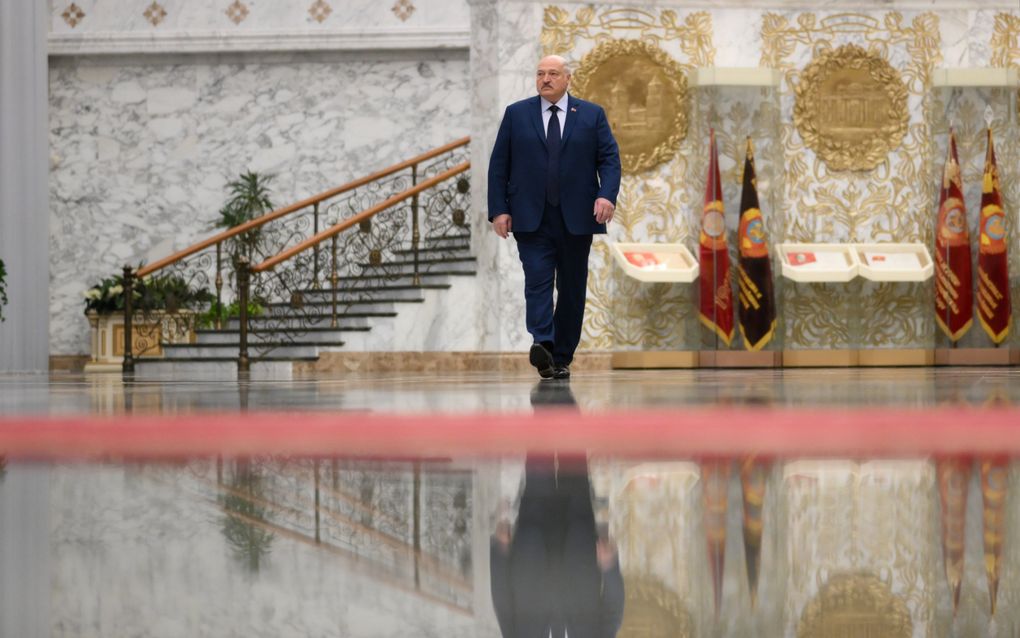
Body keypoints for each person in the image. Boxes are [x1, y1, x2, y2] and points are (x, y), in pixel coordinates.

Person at [488, 55, 622, 380]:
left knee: (572, 288)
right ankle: (543, 343)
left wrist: (606, 195)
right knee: (537, 281)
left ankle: (561, 356)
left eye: (552, 74)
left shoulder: (591, 115)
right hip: (531, 218)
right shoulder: (517, 114)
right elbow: (498, 165)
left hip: (577, 218)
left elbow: (609, 160)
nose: (545, 79)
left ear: (567, 79)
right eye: (540, 74)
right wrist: (499, 210)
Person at [489, 382, 625, 638]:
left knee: (538, 465)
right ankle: (563, 397)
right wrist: (610, 566)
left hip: (531, 540)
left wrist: (500, 549)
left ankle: (542, 408)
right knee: (573, 462)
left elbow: (503, 603)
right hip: (580, 540)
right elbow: (613, 611)